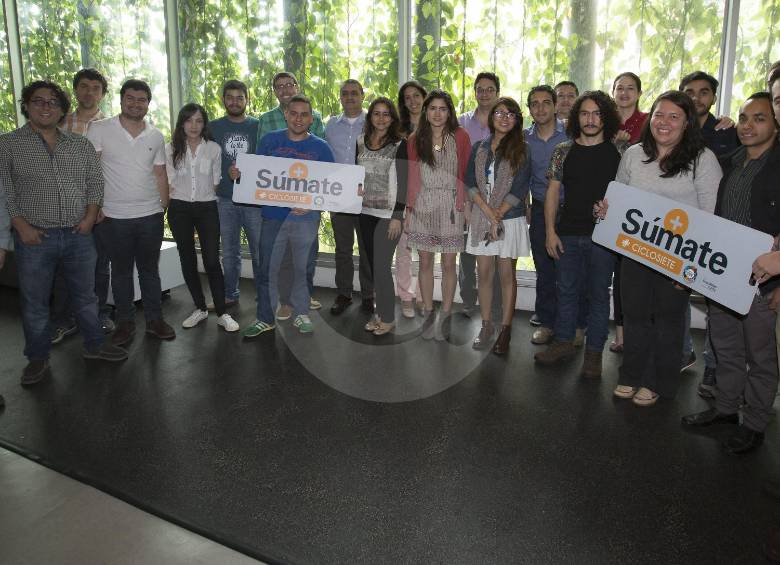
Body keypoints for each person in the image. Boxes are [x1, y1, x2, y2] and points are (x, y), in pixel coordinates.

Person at [0, 80, 128, 386]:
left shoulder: (79, 145)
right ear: (27, 106)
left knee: (86, 297)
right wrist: (20, 226)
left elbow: (95, 182)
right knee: (35, 302)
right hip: (34, 238)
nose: (46, 107)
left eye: (53, 102)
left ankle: (95, 344)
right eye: (39, 101)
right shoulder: (8, 145)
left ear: (62, 110)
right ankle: (38, 357)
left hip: (78, 234)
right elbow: (5, 191)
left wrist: (90, 217)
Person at [606, 90, 722, 406]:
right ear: (651, 118)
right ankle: (631, 375)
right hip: (635, 252)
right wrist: (604, 210)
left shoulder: (703, 159)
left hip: (679, 257)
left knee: (668, 321)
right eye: (659, 114)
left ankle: (659, 381)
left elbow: (711, 216)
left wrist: (693, 270)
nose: (664, 122)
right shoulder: (633, 154)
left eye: (674, 116)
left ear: (687, 123)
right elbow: (618, 198)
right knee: (635, 317)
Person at [681, 92, 780, 454]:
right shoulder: (731, 162)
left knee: (760, 356)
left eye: (760, 118)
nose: (748, 126)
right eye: (744, 118)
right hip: (724, 274)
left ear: (775, 124)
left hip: (764, 281)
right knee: (725, 347)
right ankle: (725, 409)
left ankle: (754, 424)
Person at [534, 91, 621, 378]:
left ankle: (594, 354)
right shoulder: (563, 150)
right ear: (576, 117)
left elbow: (629, 195)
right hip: (568, 234)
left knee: (598, 296)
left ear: (605, 117)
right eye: (585, 113)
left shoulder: (619, 153)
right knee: (566, 292)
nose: (590, 119)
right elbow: (552, 192)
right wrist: (550, 232)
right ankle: (563, 343)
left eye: (597, 113)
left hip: (604, 238)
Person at [237, 94, 335, 337]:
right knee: (267, 269)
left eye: (304, 114)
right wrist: (238, 174)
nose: (298, 119)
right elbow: (255, 175)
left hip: (306, 219)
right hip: (273, 216)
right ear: (286, 115)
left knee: (304, 268)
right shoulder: (270, 141)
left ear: (311, 119)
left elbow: (332, 187)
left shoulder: (322, 148)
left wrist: (312, 204)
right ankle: (265, 318)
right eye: (294, 113)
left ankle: (301, 313)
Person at [88, 79, 176, 346]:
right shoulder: (100, 129)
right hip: (113, 217)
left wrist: (163, 206)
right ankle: (125, 323)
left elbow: (160, 173)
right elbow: (90, 170)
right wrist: (95, 206)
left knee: (150, 271)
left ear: (148, 104)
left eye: (141, 100)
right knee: (121, 272)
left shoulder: (155, 135)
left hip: (150, 216)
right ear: (121, 100)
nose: (136, 104)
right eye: (130, 98)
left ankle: (155, 320)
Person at [679, 70, 741, 395]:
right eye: (690, 91)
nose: (696, 97)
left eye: (703, 92)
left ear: (713, 97)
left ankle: (714, 367)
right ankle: (682, 352)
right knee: (676, 290)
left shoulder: (728, 132)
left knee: (716, 299)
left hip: (718, 223)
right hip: (680, 224)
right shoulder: (673, 128)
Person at [51, 68, 114, 342]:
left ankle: (99, 315)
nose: (90, 92)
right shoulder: (59, 123)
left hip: (101, 208)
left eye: (96, 88)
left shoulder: (112, 126)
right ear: (76, 89)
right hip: (66, 207)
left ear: (103, 94)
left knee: (100, 265)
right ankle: (63, 320)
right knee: (64, 267)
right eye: (84, 86)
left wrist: (100, 205)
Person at [465, 97, 531, 354]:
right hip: (483, 217)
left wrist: (498, 215)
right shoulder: (479, 147)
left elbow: (520, 187)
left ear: (517, 120)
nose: (505, 118)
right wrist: (488, 212)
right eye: (500, 113)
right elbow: (470, 182)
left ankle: (505, 330)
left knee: (506, 276)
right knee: (483, 274)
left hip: (510, 219)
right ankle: (486, 325)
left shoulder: (522, 149)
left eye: (511, 114)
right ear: (491, 117)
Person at [165, 103, 240, 332]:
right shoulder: (170, 149)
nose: (194, 125)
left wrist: (202, 198)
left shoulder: (214, 149)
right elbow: (168, 181)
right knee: (187, 258)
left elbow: (216, 181)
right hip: (179, 208)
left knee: (211, 260)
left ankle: (223, 313)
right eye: (189, 120)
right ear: (182, 123)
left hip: (207, 207)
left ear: (204, 124)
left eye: (199, 121)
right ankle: (199, 308)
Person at [404, 90, 471, 340]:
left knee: (449, 263)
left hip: (452, 205)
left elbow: (466, 173)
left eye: (443, 109)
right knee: (425, 262)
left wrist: (465, 205)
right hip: (423, 204)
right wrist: (409, 209)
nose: (437, 113)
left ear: (449, 112)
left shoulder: (461, 136)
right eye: (433, 108)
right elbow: (411, 176)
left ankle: (445, 316)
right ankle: (428, 314)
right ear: (426, 111)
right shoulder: (415, 138)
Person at [258, 71, 324, 313]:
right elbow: (259, 164)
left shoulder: (316, 119)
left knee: (306, 256)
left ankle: (303, 298)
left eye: (289, 84)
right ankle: (285, 302)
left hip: (306, 202)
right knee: (281, 258)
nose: (285, 89)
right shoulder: (265, 121)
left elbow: (324, 165)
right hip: (276, 203)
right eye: (280, 86)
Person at [209, 80, 262, 313]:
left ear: (247, 100)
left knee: (259, 251)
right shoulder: (212, 127)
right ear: (223, 100)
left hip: (253, 200)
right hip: (224, 199)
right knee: (229, 252)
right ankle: (230, 294)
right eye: (229, 97)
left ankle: (264, 295)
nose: (234, 102)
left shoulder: (258, 126)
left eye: (239, 97)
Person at [357, 97, 407, 335]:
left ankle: (388, 318)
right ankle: (380, 312)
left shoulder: (400, 144)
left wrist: (398, 216)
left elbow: (405, 182)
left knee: (382, 267)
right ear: (370, 117)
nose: (381, 118)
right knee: (373, 266)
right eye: (376, 113)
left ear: (393, 118)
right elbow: (356, 174)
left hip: (389, 215)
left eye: (386, 114)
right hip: (364, 212)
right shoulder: (360, 141)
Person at [524, 85, 569, 345]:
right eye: (535, 104)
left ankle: (572, 323)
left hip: (570, 210)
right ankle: (546, 322)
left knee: (570, 270)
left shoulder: (570, 135)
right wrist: (527, 204)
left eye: (546, 103)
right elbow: (522, 175)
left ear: (555, 106)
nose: (540, 108)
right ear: (530, 109)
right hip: (541, 209)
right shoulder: (524, 139)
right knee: (544, 268)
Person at [325, 79, 373, 315]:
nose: (350, 97)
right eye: (345, 93)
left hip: (367, 197)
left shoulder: (373, 122)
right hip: (339, 197)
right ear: (340, 97)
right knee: (343, 249)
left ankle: (369, 295)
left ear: (363, 95)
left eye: (355, 93)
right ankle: (344, 294)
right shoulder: (331, 125)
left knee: (366, 249)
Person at [458, 72, 502, 318]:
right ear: (474, 92)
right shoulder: (462, 123)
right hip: (469, 195)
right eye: (480, 89)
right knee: (467, 253)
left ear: (497, 92)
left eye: (490, 89)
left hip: (498, 199)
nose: (484, 93)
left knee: (495, 251)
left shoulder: (505, 121)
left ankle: (494, 304)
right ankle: (468, 300)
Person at [395, 80, 427, 318]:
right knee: (404, 250)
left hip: (431, 197)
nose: (413, 101)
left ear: (424, 97)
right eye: (407, 97)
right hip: (403, 195)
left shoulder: (436, 126)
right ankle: (406, 297)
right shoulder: (397, 130)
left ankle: (425, 297)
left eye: (416, 95)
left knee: (426, 251)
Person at [612, 72, 647, 144]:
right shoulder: (604, 121)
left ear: (639, 94)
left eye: (630, 88)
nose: (624, 92)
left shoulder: (648, 120)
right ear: (613, 93)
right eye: (620, 88)